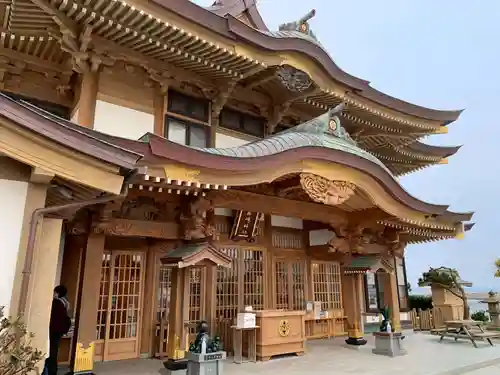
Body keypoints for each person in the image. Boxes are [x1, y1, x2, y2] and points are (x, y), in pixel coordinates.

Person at [46, 285, 71, 375]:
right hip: (59, 331)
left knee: (51, 351)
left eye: (55, 292)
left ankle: (51, 371)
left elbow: (53, 318)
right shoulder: (65, 303)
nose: (53, 294)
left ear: (58, 293)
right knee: (54, 350)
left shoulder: (56, 303)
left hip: (54, 330)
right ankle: (52, 370)